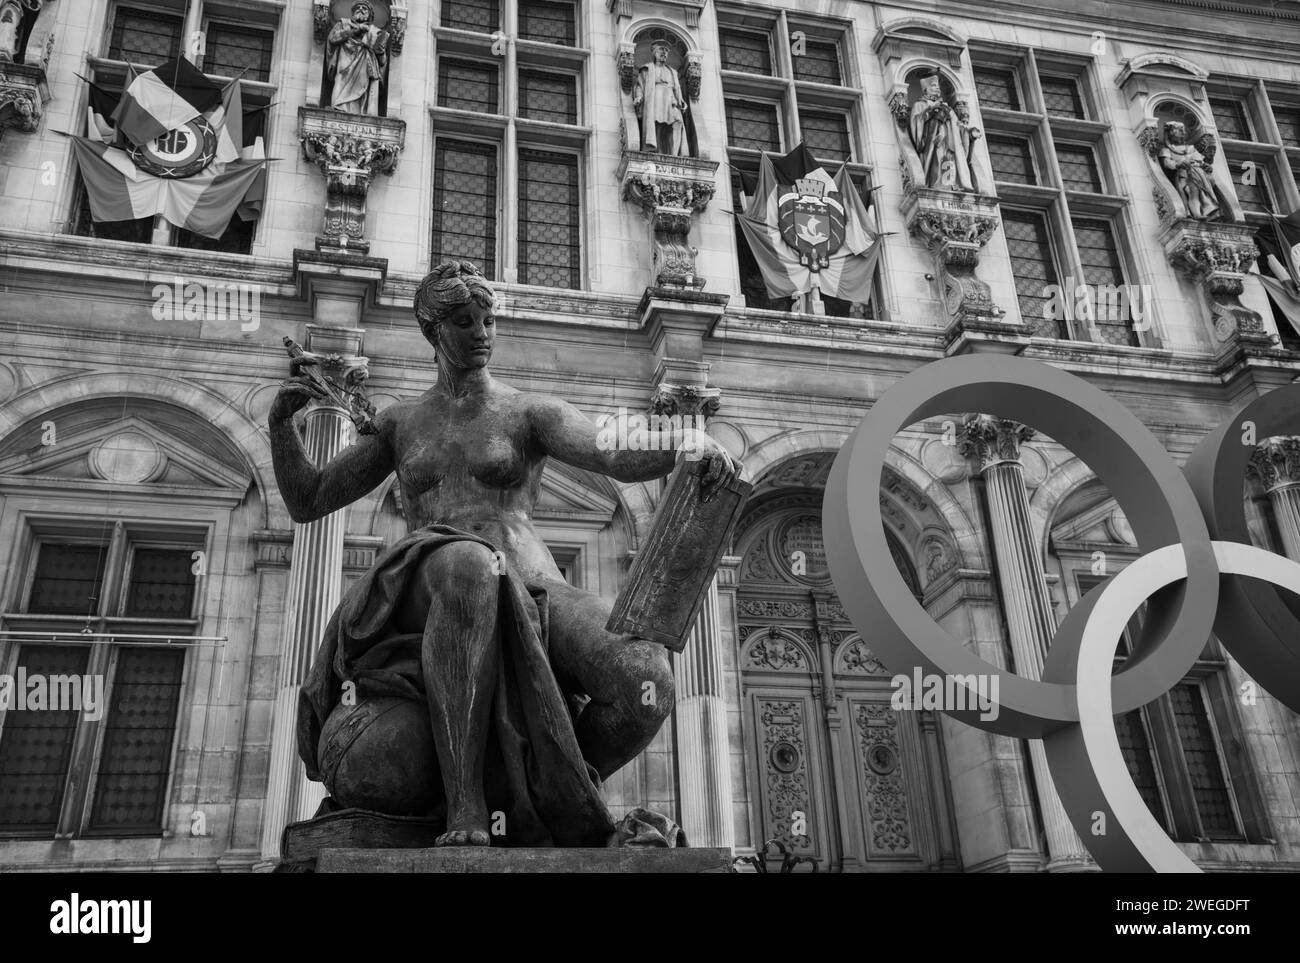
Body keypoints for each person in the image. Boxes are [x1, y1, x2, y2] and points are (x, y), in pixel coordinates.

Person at [270, 260, 742, 847]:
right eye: (466, 322)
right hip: (431, 575)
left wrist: (683, 441)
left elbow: (608, 449)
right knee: (467, 565)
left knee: (646, 683)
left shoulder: (527, 411)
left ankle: (551, 797)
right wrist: (280, 427)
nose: (482, 333)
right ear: (433, 331)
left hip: (532, 578)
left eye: (489, 320)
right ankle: (465, 807)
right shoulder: (399, 423)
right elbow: (311, 499)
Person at [909, 73, 978, 192]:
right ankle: (938, 185)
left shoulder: (947, 107)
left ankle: (950, 185)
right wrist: (930, 111)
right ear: (926, 90)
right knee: (938, 159)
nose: (937, 88)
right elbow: (915, 123)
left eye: (938, 86)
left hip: (950, 142)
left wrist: (969, 133)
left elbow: (958, 125)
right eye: (934, 86)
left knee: (949, 160)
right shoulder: (919, 105)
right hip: (934, 142)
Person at [326, 1, 388, 116]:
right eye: (357, 8)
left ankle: (362, 112)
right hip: (345, 59)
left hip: (365, 63)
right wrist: (356, 30)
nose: (360, 9)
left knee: (363, 87)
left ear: (370, 15)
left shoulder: (374, 31)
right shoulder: (343, 24)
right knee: (340, 80)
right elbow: (333, 38)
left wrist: (380, 51)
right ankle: (338, 108)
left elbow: (382, 61)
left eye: (364, 8)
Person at [633, 42, 687, 156]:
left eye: (666, 51)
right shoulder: (647, 69)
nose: (664, 53)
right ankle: (656, 150)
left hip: (670, 99)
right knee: (657, 125)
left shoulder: (672, 71)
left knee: (678, 122)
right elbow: (639, 85)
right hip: (655, 97)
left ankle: (674, 154)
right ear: (654, 53)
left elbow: (676, 87)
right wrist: (639, 97)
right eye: (661, 50)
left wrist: (680, 99)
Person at [1159, 121, 1220, 221]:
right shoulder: (1166, 150)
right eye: (1179, 130)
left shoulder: (1191, 148)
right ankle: (1196, 214)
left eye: (1183, 130)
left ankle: (1208, 210)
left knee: (1202, 192)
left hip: (1198, 174)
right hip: (1184, 175)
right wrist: (1178, 164)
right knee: (1192, 192)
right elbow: (1167, 163)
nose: (1183, 132)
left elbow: (1200, 161)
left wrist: (1206, 166)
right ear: (1171, 133)